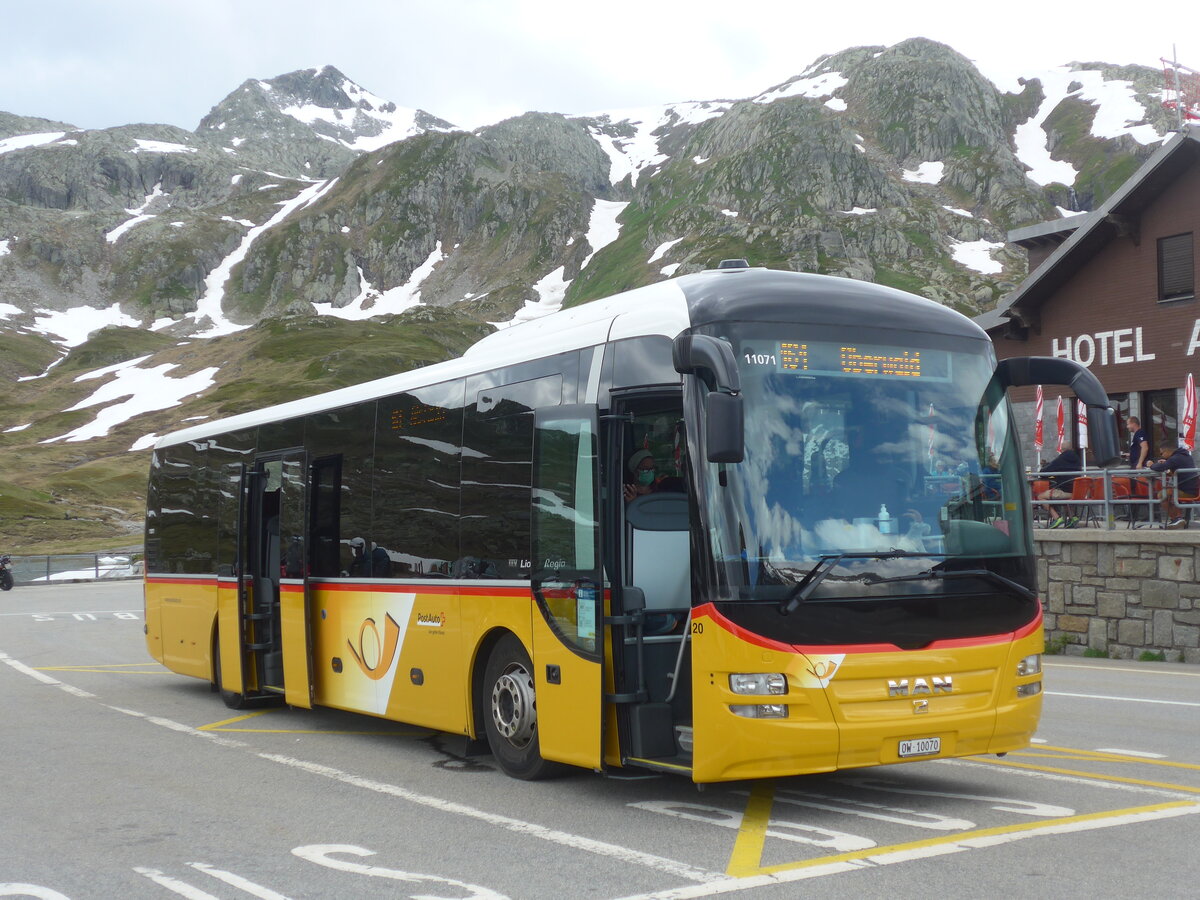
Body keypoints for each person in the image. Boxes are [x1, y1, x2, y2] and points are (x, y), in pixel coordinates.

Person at [1149, 442, 1198, 529]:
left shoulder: (1175, 458)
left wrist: (1151, 465)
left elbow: (1159, 468)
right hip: (1191, 489)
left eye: (1161, 453)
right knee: (1167, 493)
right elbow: (1171, 469)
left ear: (1167, 451)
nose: (1161, 456)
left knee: (1162, 494)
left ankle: (1177, 518)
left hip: (1186, 491)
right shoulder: (1184, 456)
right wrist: (1167, 463)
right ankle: (1177, 519)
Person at [1037, 447, 1081, 528]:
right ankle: (1072, 517)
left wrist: (1045, 466)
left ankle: (1056, 518)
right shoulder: (1077, 459)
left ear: (1062, 450)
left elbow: (1043, 473)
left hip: (1065, 493)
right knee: (1063, 492)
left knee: (1040, 496)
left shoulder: (1061, 458)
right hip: (1077, 493)